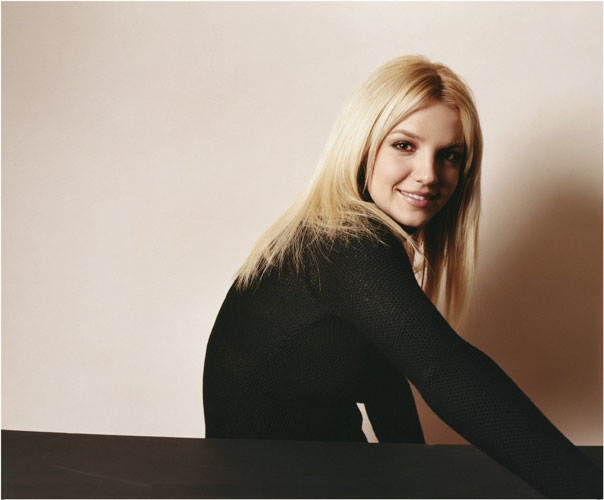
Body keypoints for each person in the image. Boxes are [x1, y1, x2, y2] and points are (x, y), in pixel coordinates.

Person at [203, 55, 602, 498]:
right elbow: (445, 371)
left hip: (315, 475)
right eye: (404, 146)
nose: (429, 175)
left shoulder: (342, 238)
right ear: (362, 145)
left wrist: (418, 479)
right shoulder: (345, 242)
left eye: (449, 155)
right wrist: (589, 488)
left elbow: (384, 380)